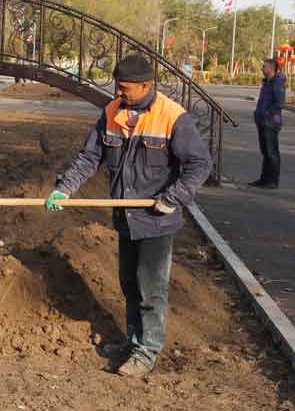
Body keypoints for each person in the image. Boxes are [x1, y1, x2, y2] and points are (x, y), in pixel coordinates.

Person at [45, 53, 212, 378]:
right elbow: (90, 156)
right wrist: (64, 188)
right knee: (129, 284)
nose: (118, 94)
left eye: (124, 89)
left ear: (146, 85)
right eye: (117, 88)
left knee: (151, 288)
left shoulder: (173, 118)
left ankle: (148, 350)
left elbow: (200, 164)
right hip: (125, 216)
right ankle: (134, 341)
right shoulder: (111, 113)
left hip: (156, 219)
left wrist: (172, 197)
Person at [249, 58, 286, 189]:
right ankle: (264, 179)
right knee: (265, 151)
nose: (262, 69)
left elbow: (279, 103)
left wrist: (266, 115)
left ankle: (272, 181)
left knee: (272, 152)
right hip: (262, 121)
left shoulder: (277, 82)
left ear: (271, 68)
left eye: (264, 67)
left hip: (271, 122)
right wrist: (257, 114)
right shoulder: (267, 82)